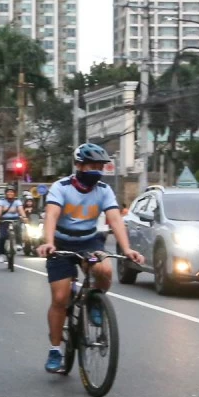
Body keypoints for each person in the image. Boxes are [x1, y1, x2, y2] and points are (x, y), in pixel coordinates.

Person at [36, 144, 143, 373]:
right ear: (78, 166)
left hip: (89, 243)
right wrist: (49, 242)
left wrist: (127, 249)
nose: (97, 170)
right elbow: (52, 215)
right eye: (92, 166)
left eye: (100, 166)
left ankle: (94, 299)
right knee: (60, 298)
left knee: (104, 270)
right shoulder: (61, 187)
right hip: (61, 244)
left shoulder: (104, 190)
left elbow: (115, 219)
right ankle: (55, 349)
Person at [0, 186, 25, 261]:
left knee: (18, 228)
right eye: (8, 192)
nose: (10, 193)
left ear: (14, 193)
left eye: (12, 192)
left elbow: (21, 210)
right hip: (4, 220)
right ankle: (1, 255)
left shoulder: (17, 201)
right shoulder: (1, 201)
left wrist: (24, 217)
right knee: (2, 237)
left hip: (15, 219)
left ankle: (18, 244)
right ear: (5, 193)